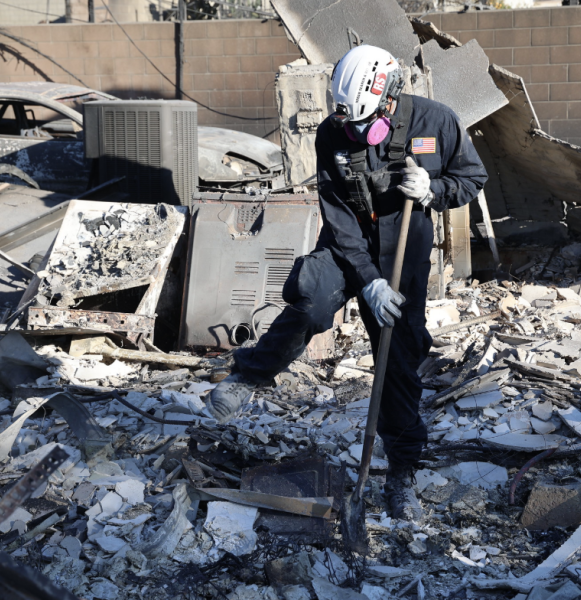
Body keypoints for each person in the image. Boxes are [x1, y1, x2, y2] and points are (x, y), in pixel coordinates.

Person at [208, 44, 488, 521]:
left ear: (391, 98)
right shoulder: (332, 133)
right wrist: (369, 282)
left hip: (404, 255)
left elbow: (472, 178)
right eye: (349, 123)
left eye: (365, 122)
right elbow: (337, 217)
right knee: (312, 297)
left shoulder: (437, 122)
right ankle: (248, 377)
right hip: (348, 246)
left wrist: (435, 190)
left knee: (397, 361)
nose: (356, 132)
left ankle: (401, 476)